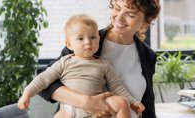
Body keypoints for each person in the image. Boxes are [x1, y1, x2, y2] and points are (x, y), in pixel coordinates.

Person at [38, 0, 160, 118]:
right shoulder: (86, 42)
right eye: (117, 8)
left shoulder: (148, 55)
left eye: (131, 14)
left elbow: (147, 106)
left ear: (147, 20)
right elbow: (44, 84)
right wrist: (87, 102)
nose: (120, 18)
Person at [17, 14, 145, 118]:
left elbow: (117, 87)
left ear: (99, 40)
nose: (88, 42)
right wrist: (27, 93)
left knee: (122, 103)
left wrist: (132, 102)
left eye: (93, 37)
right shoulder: (64, 62)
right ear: (69, 44)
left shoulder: (103, 63)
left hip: (98, 106)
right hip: (68, 109)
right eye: (80, 39)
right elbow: (43, 78)